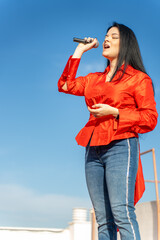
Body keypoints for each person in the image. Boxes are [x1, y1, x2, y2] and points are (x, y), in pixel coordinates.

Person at [57, 22, 158, 240]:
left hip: (121, 145)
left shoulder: (139, 79)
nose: (106, 39)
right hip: (93, 148)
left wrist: (116, 112)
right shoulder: (94, 79)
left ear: (127, 44)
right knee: (103, 220)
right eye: (106, 35)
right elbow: (65, 85)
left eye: (114, 36)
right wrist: (80, 50)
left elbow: (150, 118)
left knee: (122, 213)